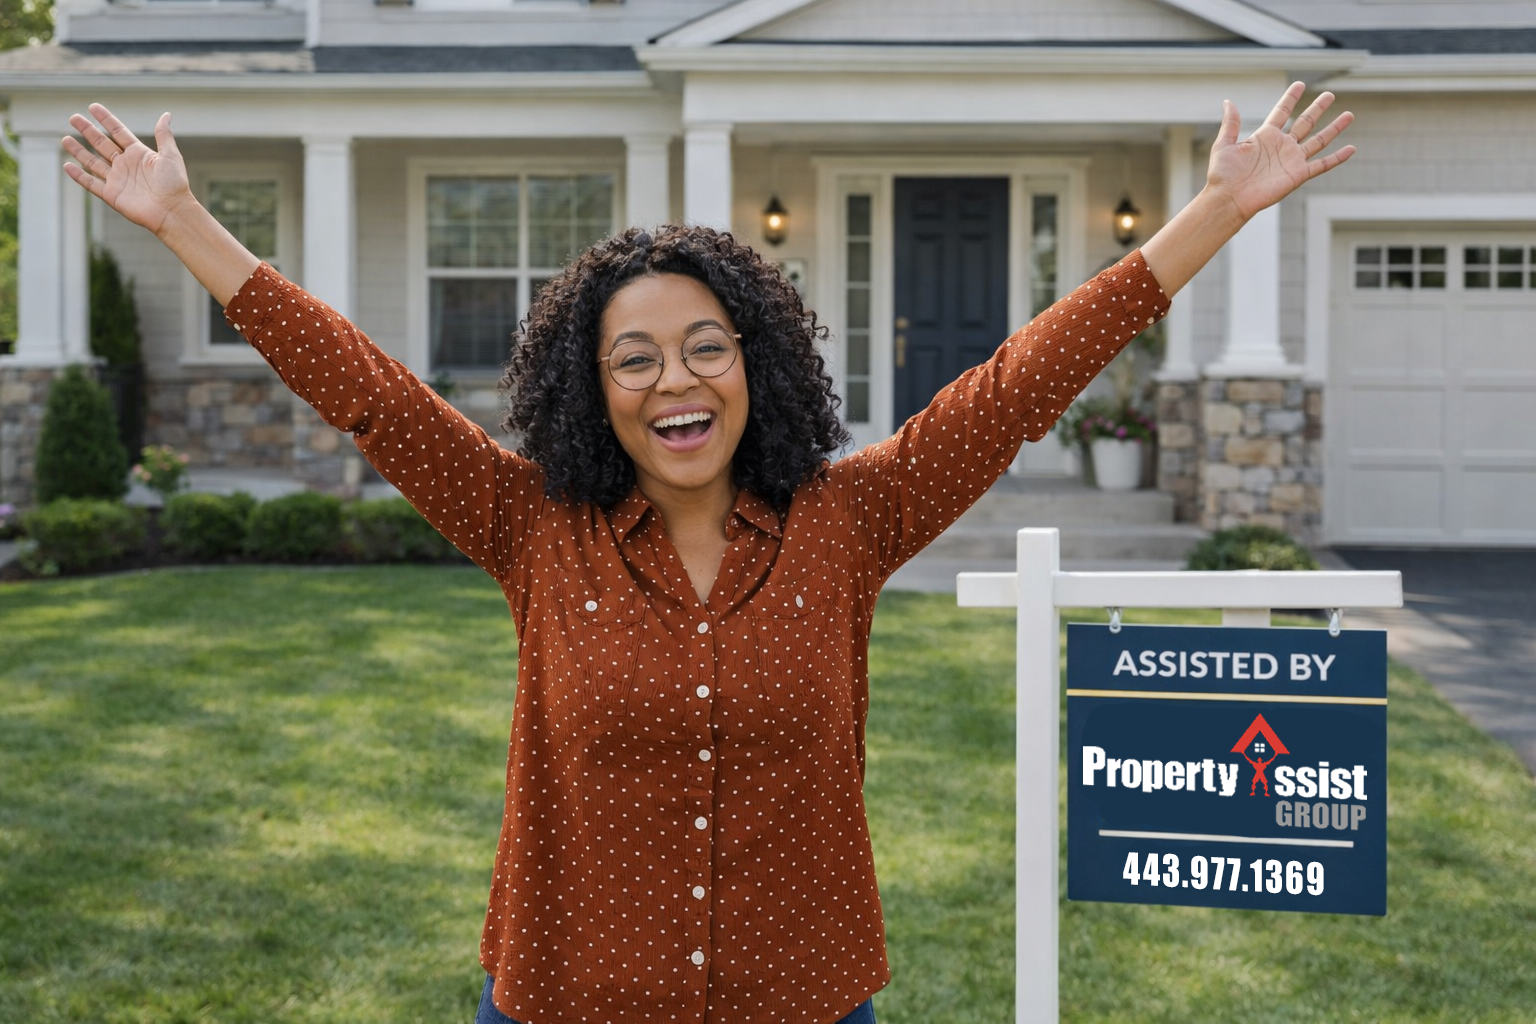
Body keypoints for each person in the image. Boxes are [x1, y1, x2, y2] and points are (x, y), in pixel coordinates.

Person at [62, 83, 1354, 1024]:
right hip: (567, 1002)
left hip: (802, 999)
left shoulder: (852, 522)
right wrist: (184, 224)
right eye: (634, 357)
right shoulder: (530, 526)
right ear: (593, 388)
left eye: (704, 349)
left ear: (757, 366)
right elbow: (374, 397)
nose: (673, 382)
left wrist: (1213, 219)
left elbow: (1017, 387)